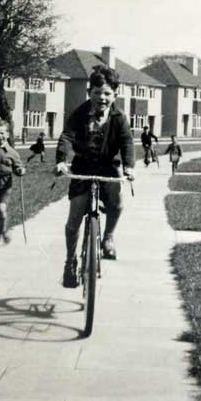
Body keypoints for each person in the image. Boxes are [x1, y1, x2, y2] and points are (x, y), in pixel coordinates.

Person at [54, 66, 135, 288]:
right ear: (90, 93)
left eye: (107, 93)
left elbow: (127, 143)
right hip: (83, 166)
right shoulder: (79, 114)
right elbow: (67, 136)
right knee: (75, 217)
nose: (102, 98)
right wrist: (61, 160)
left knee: (117, 201)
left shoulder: (119, 118)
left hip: (109, 166)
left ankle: (108, 236)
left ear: (115, 96)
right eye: (98, 92)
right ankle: (70, 260)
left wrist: (129, 167)